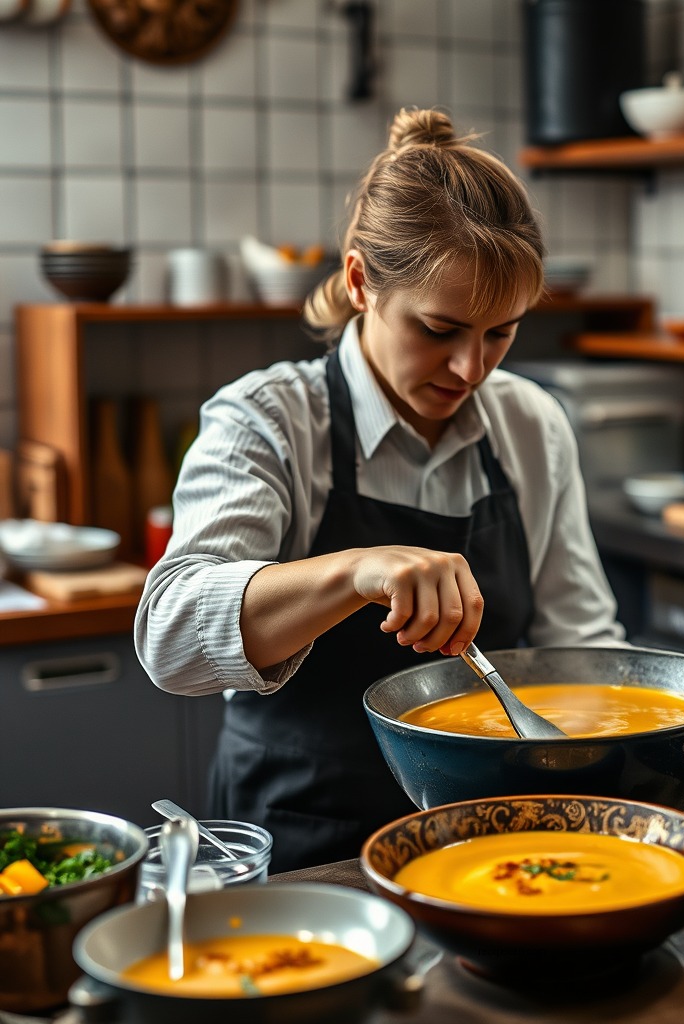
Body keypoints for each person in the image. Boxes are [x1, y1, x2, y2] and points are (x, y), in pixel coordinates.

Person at [134, 107, 626, 873]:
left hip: (487, 845)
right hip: (304, 846)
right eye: (439, 329)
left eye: (501, 332)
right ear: (362, 281)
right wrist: (356, 570)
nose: (471, 369)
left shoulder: (530, 424)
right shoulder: (267, 421)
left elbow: (583, 650)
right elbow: (170, 638)